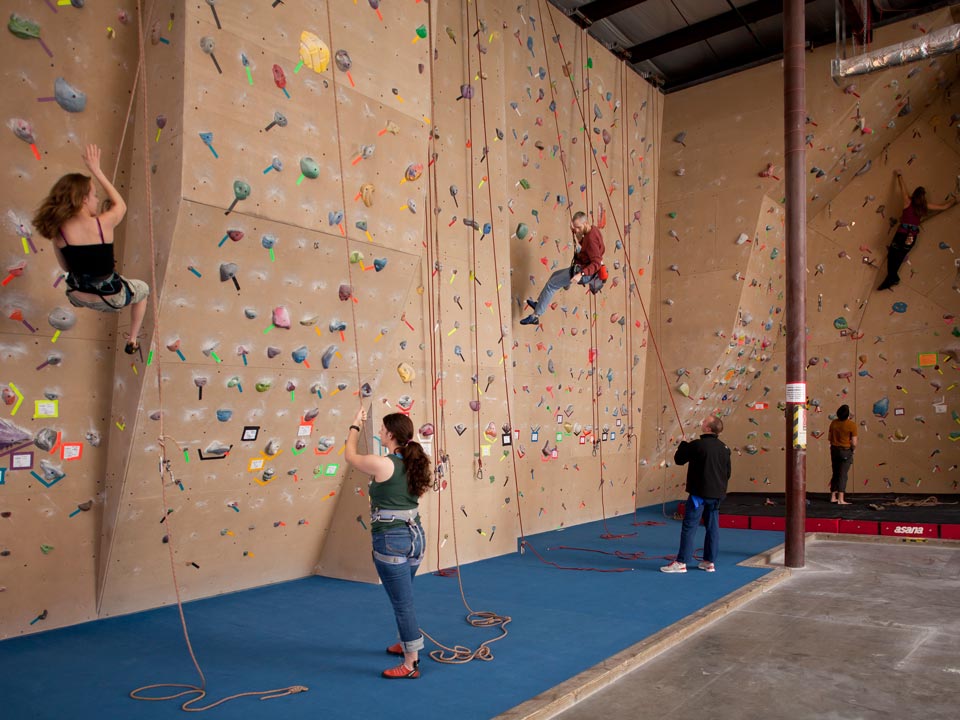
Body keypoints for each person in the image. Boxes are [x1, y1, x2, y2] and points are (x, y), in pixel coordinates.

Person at [32, 144, 150, 354]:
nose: (97, 200)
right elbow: (120, 206)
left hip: (78, 296)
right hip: (110, 299)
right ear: (84, 199)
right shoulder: (102, 223)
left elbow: (64, 265)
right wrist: (96, 170)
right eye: (94, 195)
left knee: (105, 279)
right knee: (143, 289)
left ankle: (132, 337)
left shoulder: (59, 232)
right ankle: (132, 339)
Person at [345, 408, 431, 679]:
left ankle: (410, 663)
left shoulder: (383, 464)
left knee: (402, 602)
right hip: (416, 538)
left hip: (392, 539)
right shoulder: (415, 462)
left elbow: (349, 456)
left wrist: (354, 426)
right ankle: (406, 644)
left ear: (391, 434)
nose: (380, 433)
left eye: (382, 429)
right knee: (402, 597)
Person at [661, 415, 731, 574]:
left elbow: (679, 460)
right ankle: (709, 561)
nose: (702, 422)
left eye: (705, 421)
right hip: (717, 495)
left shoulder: (697, 445)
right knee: (712, 528)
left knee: (689, 527)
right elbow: (727, 473)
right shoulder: (725, 448)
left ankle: (681, 562)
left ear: (708, 428)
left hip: (699, 495)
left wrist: (683, 445)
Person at [519, 210, 606, 326]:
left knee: (552, 285)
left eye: (579, 227)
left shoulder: (591, 239)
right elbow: (586, 245)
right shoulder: (593, 230)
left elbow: (596, 263)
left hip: (584, 273)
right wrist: (574, 231)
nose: (577, 230)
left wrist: (581, 274)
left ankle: (535, 316)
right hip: (582, 268)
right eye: (576, 228)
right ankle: (541, 303)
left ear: (586, 223)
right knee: (554, 275)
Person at [878, 171, 956, 290]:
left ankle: (892, 278)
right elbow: (944, 207)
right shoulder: (924, 206)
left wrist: (899, 175)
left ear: (914, 195)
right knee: (899, 256)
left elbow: (902, 187)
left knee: (893, 255)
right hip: (911, 236)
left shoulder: (907, 201)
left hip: (902, 234)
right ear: (923, 197)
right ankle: (892, 278)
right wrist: (955, 200)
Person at [828, 404, 857, 505]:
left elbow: (829, 438)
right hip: (845, 450)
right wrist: (853, 450)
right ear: (848, 414)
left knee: (835, 473)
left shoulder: (834, 423)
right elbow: (854, 442)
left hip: (834, 450)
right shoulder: (852, 425)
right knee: (843, 474)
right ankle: (841, 499)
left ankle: (833, 496)